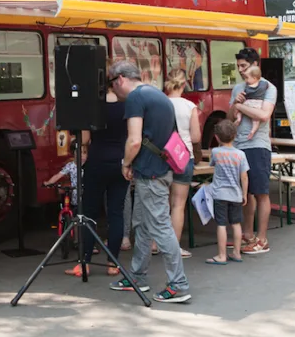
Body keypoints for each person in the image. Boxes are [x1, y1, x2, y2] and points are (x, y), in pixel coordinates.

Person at [107, 60, 191, 303]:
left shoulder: (135, 99)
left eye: (113, 86)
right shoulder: (158, 95)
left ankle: (178, 284)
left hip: (150, 172)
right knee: (142, 226)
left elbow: (134, 140)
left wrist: (125, 163)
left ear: (120, 79)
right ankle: (137, 276)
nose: (114, 92)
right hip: (161, 168)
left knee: (159, 227)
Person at [65, 81, 130, 277]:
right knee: (116, 213)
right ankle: (113, 263)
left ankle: (84, 263)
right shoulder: (127, 103)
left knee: (90, 212)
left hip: (97, 161)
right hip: (120, 161)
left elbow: (84, 140)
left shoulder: (93, 104)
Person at [229, 47, 276, 255]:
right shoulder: (238, 88)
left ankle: (262, 238)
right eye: (238, 66)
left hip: (258, 145)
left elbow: (264, 115)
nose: (240, 70)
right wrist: (236, 105)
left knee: (261, 192)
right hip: (239, 145)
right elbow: (231, 116)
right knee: (245, 194)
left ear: (255, 65)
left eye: (244, 66)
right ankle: (247, 235)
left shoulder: (269, 88)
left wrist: (241, 108)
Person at [165, 70, 203, 259]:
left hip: (161, 158)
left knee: (161, 203)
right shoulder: (189, 106)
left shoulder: (159, 104)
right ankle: (174, 248)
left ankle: (156, 243)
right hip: (182, 157)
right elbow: (196, 137)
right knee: (178, 205)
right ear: (183, 85)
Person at [205, 120, 249, 265]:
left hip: (220, 194)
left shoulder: (216, 152)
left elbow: (211, 164)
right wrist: (244, 194)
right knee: (236, 224)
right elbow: (244, 176)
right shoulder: (241, 154)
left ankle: (221, 255)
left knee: (221, 224)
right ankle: (236, 252)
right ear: (235, 135)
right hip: (236, 194)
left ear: (217, 137)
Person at [235, 66, 271, 141]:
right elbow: (267, 86)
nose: (246, 80)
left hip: (248, 102)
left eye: (247, 78)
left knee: (240, 109)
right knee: (256, 120)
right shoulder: (264, 84)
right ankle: (253, 130)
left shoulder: (247, 87)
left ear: (254, 78)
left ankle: (238, 118)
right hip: (258, 104)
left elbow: (245, 94)